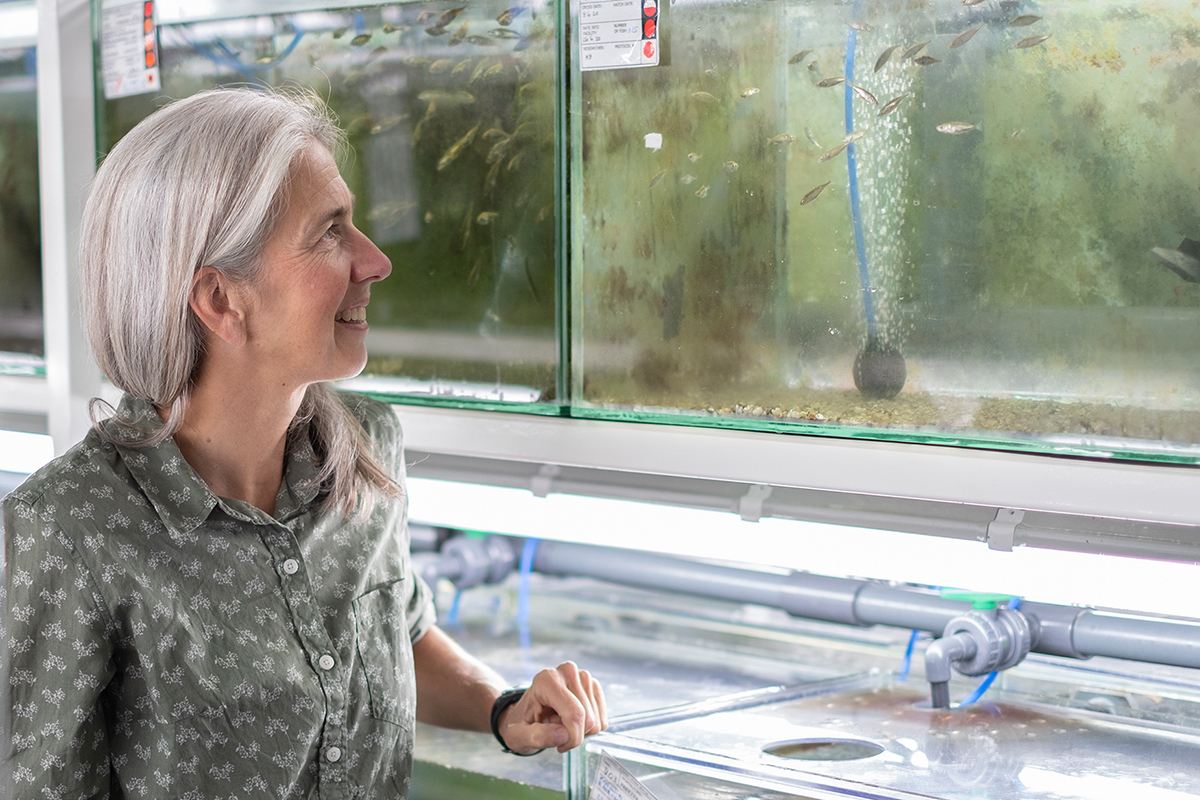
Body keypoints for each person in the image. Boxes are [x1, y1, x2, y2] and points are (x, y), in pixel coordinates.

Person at [2, 87, 606, 798]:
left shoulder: (367, 452)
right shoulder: (67, 531)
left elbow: (397, 635)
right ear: (221, 299)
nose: (375, 261)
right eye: (330, 233)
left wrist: (504, 710)